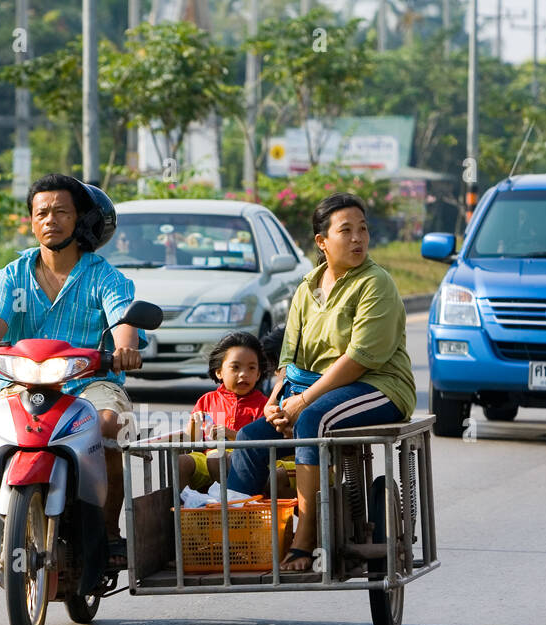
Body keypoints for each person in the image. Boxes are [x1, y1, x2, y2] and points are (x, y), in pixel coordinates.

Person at [0, 173, 143, 573]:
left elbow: (123, 317)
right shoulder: (13, 274)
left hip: (89, 383)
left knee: (108, 425)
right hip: (20, 382)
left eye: (61, 211)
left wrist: (124, 347)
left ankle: (109, 534)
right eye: (42, 212)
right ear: (31, 221)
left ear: (79, 220)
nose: (51, 219)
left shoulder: (103, 275)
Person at [226, 192, 416, 572]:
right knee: (249, 437)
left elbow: (359, 360)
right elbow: (288, 359)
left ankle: (305, 537)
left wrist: (302, 403)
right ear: (322, 242)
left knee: (312, 422)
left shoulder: (375, 284)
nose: (358, 238)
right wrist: (276, 401)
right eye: (346, 231)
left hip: (378, 386)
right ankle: (239, 536)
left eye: (363, 229)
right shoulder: (306, 289)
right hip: (310, 392)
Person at [177, 331, 271, 492]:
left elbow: (264, 445)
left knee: (219, 458)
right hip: (207, 460)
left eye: (251, 368)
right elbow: (191, 440)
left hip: (248, 465)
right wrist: (194, 425)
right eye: (235, 367)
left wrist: (232, 435)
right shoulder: (206, 400)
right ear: (219, 371)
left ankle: (229, 505)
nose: (243, 374)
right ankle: (179, 513)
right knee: (181, 462)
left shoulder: (265, 405)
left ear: (258, 374)